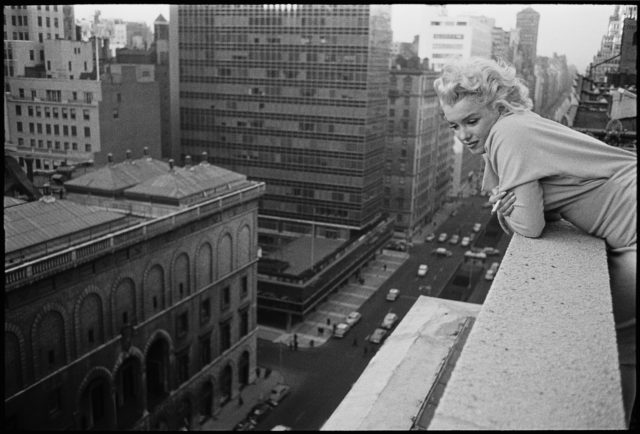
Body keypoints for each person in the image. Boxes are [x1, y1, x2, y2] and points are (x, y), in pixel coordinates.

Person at [434, 57, 636, 426]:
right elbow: (547, 209)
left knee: (619, 352)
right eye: (454, 125)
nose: (463, 134)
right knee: (625, 352)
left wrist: (507, 209)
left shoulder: (509, 135)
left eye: (471, 120)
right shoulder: (517, 127)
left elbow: (529, 225)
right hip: (628, 227)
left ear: (497, 107)